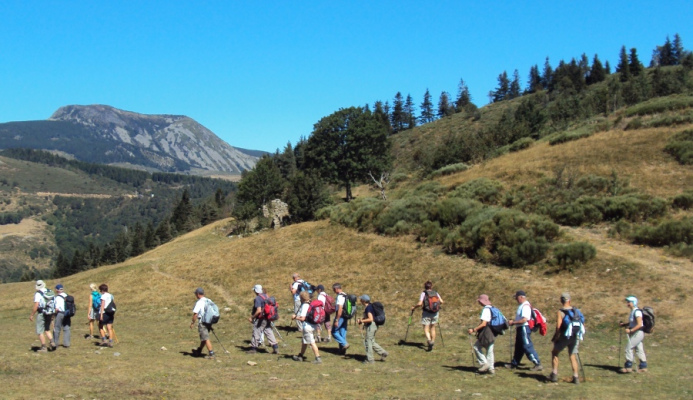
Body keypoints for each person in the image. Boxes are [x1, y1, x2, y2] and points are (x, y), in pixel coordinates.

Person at [549, 293, 583, 384]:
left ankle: (554, 374)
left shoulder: (560, 312)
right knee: (572, 355)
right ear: (569, 301)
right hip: (575, 336)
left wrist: (556, 337)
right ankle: (576, 377)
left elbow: (558, 326)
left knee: (555, 352)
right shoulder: (576, 311)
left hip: (564, 336)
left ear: (561, 301)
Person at [506, 290, 543, 371]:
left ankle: (537, 363)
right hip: (520, 328)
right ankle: (514, 363)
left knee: (527, 346)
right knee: (519, 347)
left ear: (521, 297)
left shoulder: (525, 306)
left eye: (517, 298)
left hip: (524, 328)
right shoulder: (522, 305)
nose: (516, 299)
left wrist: (513, 322)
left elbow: (524, 319)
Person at [411, 281, 444, 351]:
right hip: (435, 313)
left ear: (425, 287)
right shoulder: (435, 293)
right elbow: (441, 301)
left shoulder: (424, 293)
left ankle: (429, 340)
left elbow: (420, 304)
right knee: (433, 328)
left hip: (427, 312)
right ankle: (432, 341)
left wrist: (414, 307)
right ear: (431, 286)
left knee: (426, 328)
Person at [467, 294, 495, 374]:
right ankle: (491, 369)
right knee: (490, 350)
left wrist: (473, 330)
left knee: (476, 347)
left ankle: (484, 364)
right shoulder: (492, 308)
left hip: (486, 332)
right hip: (493, 331)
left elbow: (483, 324)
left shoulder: (486, 310)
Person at [291, 291, 322, 363]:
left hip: (307, 326)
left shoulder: (305, 305)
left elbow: (303, 318)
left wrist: (295, 317)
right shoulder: (311, 303)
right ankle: (300, 356)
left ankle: (318, 358)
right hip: (313, 325)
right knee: (304, 341)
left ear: (302, 298)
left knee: (311, 342)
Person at [619, 295, 647, 373]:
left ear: (634, 303)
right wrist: (625, 324)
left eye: (629, 302)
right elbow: (633, 322)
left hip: (638, 332)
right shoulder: (633, 311)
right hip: (636, 332)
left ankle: (628, 367)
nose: (627, 304)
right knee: (639, 349)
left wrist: (631, 331)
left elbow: (639, 324)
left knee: (628, 347)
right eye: (627, 302)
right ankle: (643, 366)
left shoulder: (637, 312)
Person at [357, 294, 388, 364]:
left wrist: (361, 321)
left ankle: (370, 359)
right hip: (374, 325)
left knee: (368, 342)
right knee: (372, 341)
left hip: (371, 326)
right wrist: (363, 319)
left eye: (361, 299)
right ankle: (383, 353)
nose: (360, 300)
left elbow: (370, 319)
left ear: (364, 301)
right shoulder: (370, 306)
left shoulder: (368, 308)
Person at [248, 284, 279, 354]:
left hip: (261, 319)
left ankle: (253, 348)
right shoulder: (266, 296)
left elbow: (258, 310)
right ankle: (275, 346)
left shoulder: (258, 298)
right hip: (268, 317)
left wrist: (252, 317)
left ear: (256, 291)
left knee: (256, 331)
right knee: (268, 331)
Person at [29, 280, 55, 352]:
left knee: (40, 331)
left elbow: (36, 305)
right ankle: (52, 342)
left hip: (42, 313)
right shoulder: (49, 291)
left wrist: (32, 315)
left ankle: (44, 347)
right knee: (47, 329)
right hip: (50, 312)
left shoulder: (38, 294)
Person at [190, 287, 215, 359]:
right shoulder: (208, 300)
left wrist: (192, 323)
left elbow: (195, 314)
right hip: (209, 321)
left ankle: (211, 353)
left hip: (202, 322)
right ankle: (199, 350)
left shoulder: (199, 302)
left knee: (206, 338)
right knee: (204, 337)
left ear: (198, 294)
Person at [331, 283, 350, 355]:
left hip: (340, 316)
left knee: (334, 331)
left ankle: (345, 344)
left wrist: (337, 320)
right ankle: (342, 350)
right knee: (342, 332)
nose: (333, 291)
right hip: (346, 316)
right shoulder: (345, 295)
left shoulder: (339, 297)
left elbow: (340, 309)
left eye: (333, 289)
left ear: (336, 289)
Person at [53, 284, 71, 349]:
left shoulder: (57, 297)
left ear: (57, 290)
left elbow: (56, 308)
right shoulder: (67, 296)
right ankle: (67, 343)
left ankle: (55, 343)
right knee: (66, 328)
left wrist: (53, 314)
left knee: (57, 328)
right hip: (67, 313)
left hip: (60, 313)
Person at [98, 284, 116, 348]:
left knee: (100, 326)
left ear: (102, 290)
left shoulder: (103, 296)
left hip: (105, 312)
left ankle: (104, 340)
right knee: (109, 327)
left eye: (100, 290)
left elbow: (102, 305)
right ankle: (110, 341)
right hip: (111, 313)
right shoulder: (111, 296)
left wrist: (101, 315)